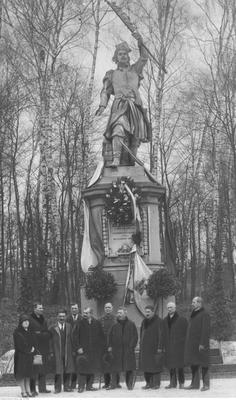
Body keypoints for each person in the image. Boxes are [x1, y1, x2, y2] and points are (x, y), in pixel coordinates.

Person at [95, 32, 151, 167]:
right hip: (120, 106)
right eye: (120, 54)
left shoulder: (135, 70)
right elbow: (105, 91)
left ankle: (131, 162)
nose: (123, 56)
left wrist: (140, 41)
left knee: (135, 137)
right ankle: (115, 159)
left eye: (125, 54)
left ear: (128, 56)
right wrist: (102, 105)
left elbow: (144, 57)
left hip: (135, 106)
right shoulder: (111, 74)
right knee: (118, 128)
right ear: (116, 57)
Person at [73, 307, 106, 392]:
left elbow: (101, 336)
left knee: (92, 367)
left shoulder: (97, 323)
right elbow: (75, 337)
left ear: (91, 314)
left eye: (86, 313)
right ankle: (81, 386)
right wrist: (78, 347)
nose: (84, 314)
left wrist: (101, 348)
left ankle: (89, 386)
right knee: (82, 367)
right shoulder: (79, 323)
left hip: (94, 350)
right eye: (84, 312)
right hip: (83, 350)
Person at [107, 306, 138, 390]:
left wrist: (131, 347)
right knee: (115, 368)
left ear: (125, 313)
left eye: (120, 313)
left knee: (129, 368)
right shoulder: (114, 325)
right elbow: (110, 336)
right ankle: (114, 384)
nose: (118, 315)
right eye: (118, 313)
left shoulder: (131, 324)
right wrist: (110, 346)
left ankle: (129, 385)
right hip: (117, 350)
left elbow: (135, 336)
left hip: (128, 350)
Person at [184, 297, 211, 391]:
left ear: (200, 303)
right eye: (192, 302)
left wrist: (202, 343)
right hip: (192, 344)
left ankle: (206, 385)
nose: (192, 304)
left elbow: (205, 330)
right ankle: (194, 384)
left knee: (204, 364)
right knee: (194, 363)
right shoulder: (193, 314)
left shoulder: (205, 314)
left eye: (194, 302)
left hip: (201, 345)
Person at [162, 302, 188, 389]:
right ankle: (172, 383)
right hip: (169, 346)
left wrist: (182, 343)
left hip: (179, 346)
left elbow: (186, 333)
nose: (169, 309)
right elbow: (163, 334)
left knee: (180, 366)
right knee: (170, 365)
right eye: (168, 308)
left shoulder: (182, 319)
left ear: (175, 308)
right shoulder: (165, 320)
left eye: (171, 307)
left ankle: (181, 383)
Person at [49, 309, 75, 393]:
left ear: (66, 317)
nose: (62, 318)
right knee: (58, 370)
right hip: (57, 352)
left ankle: (67, 387)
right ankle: (57, 388)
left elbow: (72, 339)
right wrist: (51, 352)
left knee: (67, 369)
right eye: (60, 316)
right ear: (57, 317)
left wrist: (73, 350)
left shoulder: (69, 326)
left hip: (67, 351)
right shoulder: (53, 328)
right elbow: (49, 341)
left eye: (63, 316)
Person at [29, 302, 51, 395]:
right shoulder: (30, 319)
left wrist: (40, 333)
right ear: (35, 309)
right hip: (35, 348)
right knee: (34, 369)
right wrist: (42, 334)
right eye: (40, 308)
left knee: (43, 369)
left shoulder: (44, 319)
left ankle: (42, 388)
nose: (42, 309)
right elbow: (31, 334)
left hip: (44, 348)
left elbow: (48, 333)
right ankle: (32, 389)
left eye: (42, 308)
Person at [139, 305, 163, 390]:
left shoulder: (159, 321)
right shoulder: (144, 321)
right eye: (146, 312)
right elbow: (141, 333)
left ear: (153, 312)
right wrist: (140, 344)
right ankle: (148, 383)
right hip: (145, 348)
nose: (146, 313)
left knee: (155, 366)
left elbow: (161, 335)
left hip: (154, 348)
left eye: (148, 312)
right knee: (146, 366)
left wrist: (160, 347)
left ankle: (156, 384)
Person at [13, 314, 36, 398]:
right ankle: (23, 391)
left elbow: (33, 342)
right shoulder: (17, 332)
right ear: (21, 322)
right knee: (22, 374)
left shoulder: (30, 331)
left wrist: (33, 348)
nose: (26, 323)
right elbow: (18, 346)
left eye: (27, 321)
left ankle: (28, 390)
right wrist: (29, 350)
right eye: (24, 321)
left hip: (29, 356)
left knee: (28, 374)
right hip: (21, 356)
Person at [99, 303, 120, 389]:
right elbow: (99, 333)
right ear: (104, 308)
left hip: (114, 345)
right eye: (106, 307)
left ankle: (116, 382)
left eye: (109, 307)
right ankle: (107, 382)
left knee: (115, 363)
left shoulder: (116, 319)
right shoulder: (100, 319)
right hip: (103, 345)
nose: (107, 309)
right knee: (105, 364)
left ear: (112, 308)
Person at [66, 303, 81, 389]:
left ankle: (82, 383)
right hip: (70, 346)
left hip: (80, 346)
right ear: (70, 309)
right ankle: (73, 383)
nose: (74, 310)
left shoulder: (81, 318)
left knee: (80, 364)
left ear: (78, 309)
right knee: (72, 366)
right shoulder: (67, 319)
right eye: (72, 308)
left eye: (75, 308)